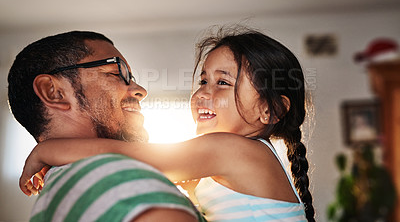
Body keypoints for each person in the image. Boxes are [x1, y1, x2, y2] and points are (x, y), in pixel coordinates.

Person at [20, 27, 315, 221]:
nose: (202, 93)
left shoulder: (233, 149)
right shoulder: (232, 157)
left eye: (223, 82)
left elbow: (134, 157)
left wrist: (47, 152)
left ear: (269, 109)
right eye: (202, 81)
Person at [8, 31, 205, 222]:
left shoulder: (65, 190)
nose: (140, 90)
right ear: (54, 92)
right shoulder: (117, 181)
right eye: (117, 72)